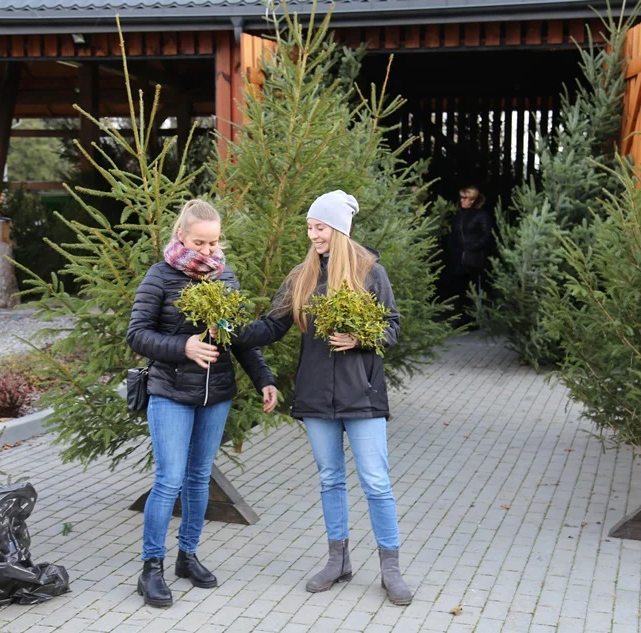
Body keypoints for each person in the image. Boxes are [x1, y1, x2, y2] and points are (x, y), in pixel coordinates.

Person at [230, 190, 414, 606]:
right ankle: (338, 560)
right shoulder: (303, 276)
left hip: (362, 394)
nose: (313, 234)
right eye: (310, 227)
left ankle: (391, 569)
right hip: (316, 395)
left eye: (320, 227)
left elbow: (393, 327)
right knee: (330, 478)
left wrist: (361, 337)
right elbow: (271, 327)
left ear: (339, 230)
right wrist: (227, 329)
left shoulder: (371, 273)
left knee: (376, 482)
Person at [126, 199, 278, 608]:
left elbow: (236, 336)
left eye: (214, 243)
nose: (210, 251)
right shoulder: (160, 276)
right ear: (181, 236)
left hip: (216, 396)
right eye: (201, 242)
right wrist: (184, 346)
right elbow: (137, 334)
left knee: (197, 479)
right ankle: (151, 569)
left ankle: (187, 557)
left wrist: (263, 378)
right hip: (171, 393)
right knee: (169, 480)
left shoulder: (225, 277)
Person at [445, 185, 493, 327]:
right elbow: (453, 234)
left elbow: (486, 236)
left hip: (474, 258)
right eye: (461, 197)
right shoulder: (458, 215)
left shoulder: (481, 215)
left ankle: (475, 318)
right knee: (460, 289)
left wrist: (472, 247)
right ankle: (463, 317)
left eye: (465, 198)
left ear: (473, 200)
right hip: (458, 257)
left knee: (473, 289)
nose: (462, 200)